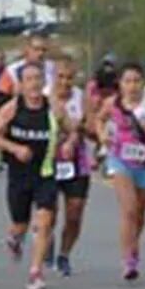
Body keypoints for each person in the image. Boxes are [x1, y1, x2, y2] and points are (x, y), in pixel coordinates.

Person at [0, 62, 72, 289]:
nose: (34, 83)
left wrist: (68, 144)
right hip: (19, 176)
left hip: (45, 174)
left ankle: (36, 272)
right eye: (29, 79)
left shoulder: (54, 108)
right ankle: (14, 239)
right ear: (21, 84)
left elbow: (72, 130)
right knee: (20, 225)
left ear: (44, 82)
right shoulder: (13, 108)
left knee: (44, 222)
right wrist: (14, 148)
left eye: (38, 78)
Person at [95, 62, 145, 280]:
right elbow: (99, 118)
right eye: (127, 81)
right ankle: (128, 260)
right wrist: (102, 135)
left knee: (140, 212)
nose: (132, 86)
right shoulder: (112, 103)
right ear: (120, 84)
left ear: (143, 83)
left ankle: (133, 246)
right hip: (120, 160)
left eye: (136, 81)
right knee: (129, 209)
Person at [48, 56, 91, 277]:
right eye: (61, 77)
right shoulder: (44, 96)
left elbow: (91, 126)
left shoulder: (81, 97)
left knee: (74, 212)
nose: (65, 82)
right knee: (50, 213)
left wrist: (80, 129)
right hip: (49, 161)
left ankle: (64, 255)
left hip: (76, 161)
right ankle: (47, 243)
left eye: (70, 78)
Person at [0, 35, 54, 105]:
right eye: (36, 49)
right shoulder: (12, 71)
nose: (41, 53)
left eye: (44, 50)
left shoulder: (53, 68)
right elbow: (1, 98)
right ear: (27, 50)